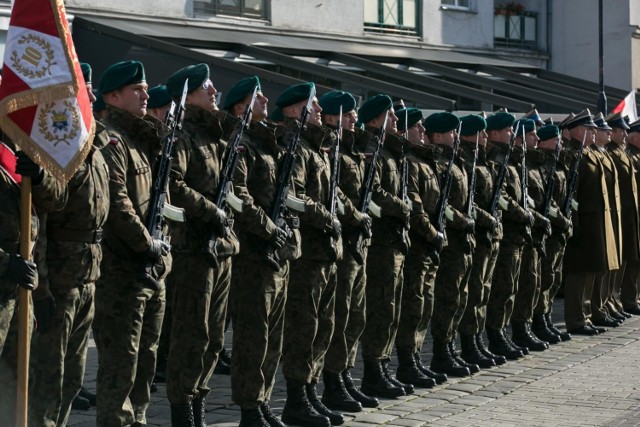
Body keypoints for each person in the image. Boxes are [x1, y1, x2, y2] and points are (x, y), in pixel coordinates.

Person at [28, 62, 111, 426]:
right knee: (48, 377)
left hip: (87, 277)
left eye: (89, 89)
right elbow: (42, 223)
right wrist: (42, 289)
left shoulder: (96, 142)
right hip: (58, 281)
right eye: (83, 89)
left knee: (73, 378)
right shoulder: (56, 145)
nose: (90, 95)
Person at [93, 60, 172, 426]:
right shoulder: (111, 139)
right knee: (120, 365)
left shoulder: (143, 140)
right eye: (136, 89)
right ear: (113, 96)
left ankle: (137, 420)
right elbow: (117, 200)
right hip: (123, 270)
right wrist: (147, 244)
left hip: (150, 269)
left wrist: (161, 247)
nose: (145, 94)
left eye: (145, 88)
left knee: (145, 360)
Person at [279, 82, 361, 427]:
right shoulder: (296, 147)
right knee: (304, 328)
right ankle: (297, 400)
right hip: (309, 253)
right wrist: (327, 216)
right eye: (312, 106)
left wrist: (349, 213)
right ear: (296, 111)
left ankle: (312, 392)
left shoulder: (317, 149)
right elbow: (294, 197)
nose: (317, 110)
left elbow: (333, 193)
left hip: (327, 251)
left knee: (323, 327)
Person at [164, 63, 239, 426]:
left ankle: (199, 402)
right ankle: (182, 408)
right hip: (194, 246)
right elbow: (174, 185)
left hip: (221, 246)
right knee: (191, 332)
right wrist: (211, 210)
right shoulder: (182, 135)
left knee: (212, 336)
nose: (214, 91)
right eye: (205, 87)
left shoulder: (216, 135)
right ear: (188, 94)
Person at [226, 76, 300, 427]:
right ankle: (248, 407)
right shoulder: (242, 144)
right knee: (253, 338)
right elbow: (238, 196)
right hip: (255, 254)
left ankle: (264, 400)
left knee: (273, 336)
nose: (266, 101)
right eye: (257, 98)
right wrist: (270, 229)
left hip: (278, 253)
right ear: (241, 108)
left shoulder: (272, 143)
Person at [319, 90, 378, 412]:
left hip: (358, 243)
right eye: (348, 114)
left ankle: (344, 376)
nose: (355, 118)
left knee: (355, 316)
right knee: (339, 318)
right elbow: (334, 193)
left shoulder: (352, 150)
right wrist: (357, 216)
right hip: (341, 242)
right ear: (331, 118)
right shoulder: (330, 151)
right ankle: (332, 381)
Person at [357, 95, 413, 399]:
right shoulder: (372, 151)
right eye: (390, 116)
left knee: (391, 308)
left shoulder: (390, 151)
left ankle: (382, 367)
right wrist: (403, 207)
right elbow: (374, 193)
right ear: (376, 120)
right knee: (380, 308)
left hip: (393, 241)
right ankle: (373, 372)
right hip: (379, 242)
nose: (395, 120)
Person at [393, 107, 447, 385]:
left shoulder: (425, 161)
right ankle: (406, 363)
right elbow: (415, 206)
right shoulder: (410, 162)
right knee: (413, 307)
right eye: (417, 127)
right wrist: (432, 233)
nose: (423, 132)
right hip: (417, 245)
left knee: (424, 305)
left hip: (427, 247)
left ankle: (415, 358)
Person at [423, 112, 477, 377]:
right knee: (447, 299)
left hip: (462, 242)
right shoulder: (438, 163)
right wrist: (463, 221)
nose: (456, 136)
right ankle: (442, 353)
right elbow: (442, 206)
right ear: (437, 135)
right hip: (450, 242)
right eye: (451, 132)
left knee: (459, 298)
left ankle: (450, 348)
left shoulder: (455, 162)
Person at [563, 109, 617, 336]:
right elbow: (571, 195)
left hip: (595, 221)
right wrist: (574, 224)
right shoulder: (572, 155)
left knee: (590, 271)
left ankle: (585, 315)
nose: (594, 132)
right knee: (578, 273)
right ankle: (576, 319)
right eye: (588, 129)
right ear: (576, 131)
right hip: (583, 221)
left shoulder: (589, 154)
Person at [456, 114, 505, 368]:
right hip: (476, 234)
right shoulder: (467, 161)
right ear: (468, 136)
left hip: (488, 234)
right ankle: (468, 343)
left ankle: (476, 340)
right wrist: (487, 219)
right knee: (473, 292)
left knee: (482, 292)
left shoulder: (484, 160)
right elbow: (469, 203)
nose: (485, 137)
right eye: (480, 133)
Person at [484, 112, 533, 360]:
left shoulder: (509, 159)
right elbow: (501, 197)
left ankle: (503, 331)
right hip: (503, 233)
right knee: (499, 289)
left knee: (509, 287)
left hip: (510, 234)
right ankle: (495, 334)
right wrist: (522, 214)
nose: (513, 135)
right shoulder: (495, 158)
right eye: (507, 130)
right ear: (493, 134)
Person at [509, 119, 553, 352]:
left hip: (529, 232)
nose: (536, 139)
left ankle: (528, 326)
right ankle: (515, 331)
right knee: (512, 286)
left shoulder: (527, 163)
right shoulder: (510, 163)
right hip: (513, 234)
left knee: (534, 281)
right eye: (531, 135)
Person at [531, 124, 573, 343]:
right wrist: (563, 220)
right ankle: (539, 320)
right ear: (545, 143)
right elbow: (547, 202)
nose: (560, 145)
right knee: (545, 278)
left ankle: (546, 318)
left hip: (558, 230)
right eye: (556, 141)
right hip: (549, 229)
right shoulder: (544, 165)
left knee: (553, 279)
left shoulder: (558, 165)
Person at [604, 112, 638, 323]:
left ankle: (623, 299)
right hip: (620, 213)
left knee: (630, 258)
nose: (625, 134)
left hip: (629, 212)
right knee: (618, 260)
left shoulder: (622, 154)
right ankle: (618, 299)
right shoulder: (616, 155)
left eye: (626, 130)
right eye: (621, 130)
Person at [623, 119, 640, 314]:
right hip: (632, 214)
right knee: (632, 259)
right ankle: (629, 298)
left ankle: (633, 296)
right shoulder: (631, 157)